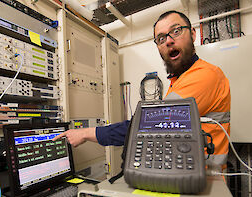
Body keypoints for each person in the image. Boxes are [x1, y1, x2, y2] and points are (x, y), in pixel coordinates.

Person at [54, 10, 230, 169]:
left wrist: (85, 133)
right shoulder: (179, 79)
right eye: (161, 39)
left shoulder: (204, 75)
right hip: (187, 173)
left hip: (206, 180)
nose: (169, 41)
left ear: (192, 34)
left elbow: (149, 126)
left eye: (176, 31)